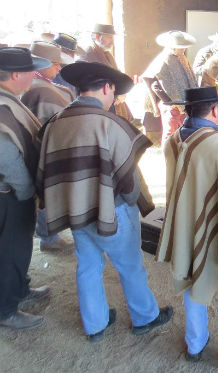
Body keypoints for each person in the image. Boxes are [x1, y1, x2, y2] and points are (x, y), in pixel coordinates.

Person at [36, 62, 173, 342]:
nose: (115, 98)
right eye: (115, 92)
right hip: (113, 210)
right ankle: (145, 317)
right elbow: (129, 178)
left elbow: (44, 170)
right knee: (130, 265)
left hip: (74, 211)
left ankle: (95, 324)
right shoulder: (109, 123)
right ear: (107, 88)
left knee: (87, 265)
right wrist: (137, 204)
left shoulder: (54, 123)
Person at [156, 87, 218, 366]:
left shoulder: (172, 141)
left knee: (191, 283)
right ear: (214, 110)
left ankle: (194, 344)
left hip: (186, 230)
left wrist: (216, 134)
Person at [0, 47, 52, 330]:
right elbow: (6, 156)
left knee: (18, 248)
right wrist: (26, 191)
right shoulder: (2, 108)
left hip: (12, 192)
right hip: (8, 194)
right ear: (16, 75)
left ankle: (20, 289)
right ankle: (6, 309)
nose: (35, 75)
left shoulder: (10, 100)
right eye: (30, 70)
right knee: (9, 251)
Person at [20, 42, 74, 252]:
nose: (58, 69)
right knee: (45, 194)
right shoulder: (42, 90)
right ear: (40, 65)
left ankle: (47, 235)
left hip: (40, 150)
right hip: (44, 151)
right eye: (54, 64)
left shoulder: (39, 86)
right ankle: (48, 237)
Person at [142, 30, 198, 144]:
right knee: (170, 132)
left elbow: (189, 79)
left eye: (184, 46)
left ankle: (181, 155)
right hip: (171, 106)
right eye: (180, 47)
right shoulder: (163, 59)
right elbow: (154, 83)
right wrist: (169, 102)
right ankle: (168, 158)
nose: (183, 49)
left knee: (185, 131)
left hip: (184, 103)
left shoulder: (182, 58)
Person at [81, 23, 134, 122]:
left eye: (113, 37)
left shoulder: (107, 54)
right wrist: (116, 95)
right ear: (97, 36)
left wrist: (121, 93)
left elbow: (116, 76)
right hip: (98, 104)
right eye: (109, 37)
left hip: (111, 101)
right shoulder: (89, 55)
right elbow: (95, 81)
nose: (112, 41)